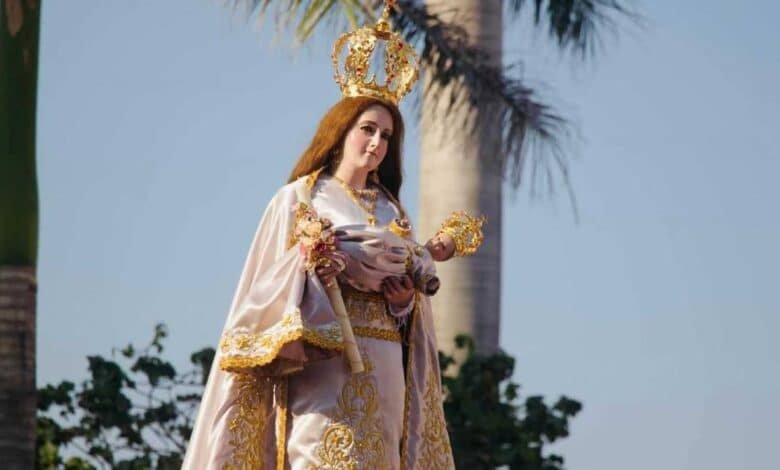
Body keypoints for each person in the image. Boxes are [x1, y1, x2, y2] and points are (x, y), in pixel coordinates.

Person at [182, 4, 463, 467]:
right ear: (341, 131)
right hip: (324, 363)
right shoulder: (299, 198)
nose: (376, 144)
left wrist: (402, 303)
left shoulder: (393, 211)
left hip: (386, 363)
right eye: (367, 129)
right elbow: (263, 287)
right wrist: (310, 266)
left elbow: (415, 309)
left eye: (387, 135)